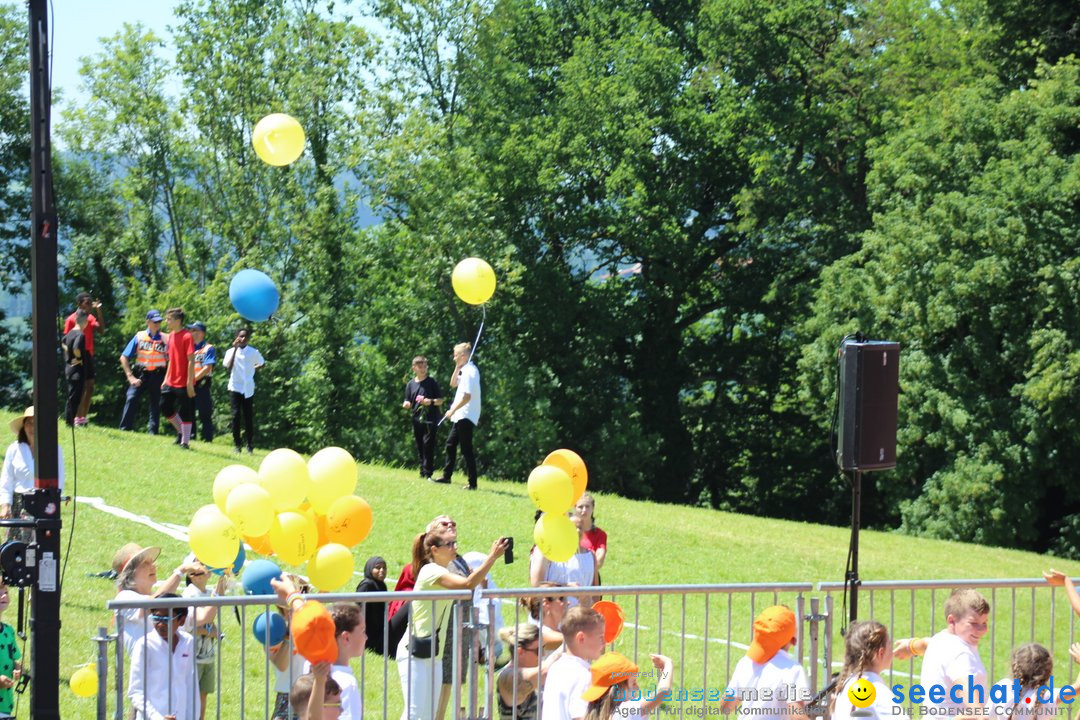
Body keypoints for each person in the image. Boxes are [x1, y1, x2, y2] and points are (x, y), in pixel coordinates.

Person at [396, 525, 508, 720]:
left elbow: (473, 586)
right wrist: (492, 557)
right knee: (414, 713)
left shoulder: (446, 570)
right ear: (434, 550)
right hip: (414, 652)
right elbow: (466, 584)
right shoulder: (430, 571)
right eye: (449, 544)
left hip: (433, 653)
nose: (454, 547)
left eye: (454, 543)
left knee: (428, 714)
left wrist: (479, 576)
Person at [721, 605, 810, 719]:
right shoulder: (792, 670)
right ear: (791, 638)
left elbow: (725, 706)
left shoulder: (745, 663)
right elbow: (797, 716)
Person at [112, 543, 200, 655]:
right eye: (146, 563)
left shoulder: (154, 595)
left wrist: (219, 588)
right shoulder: (124, 598)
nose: (153, 566)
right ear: (130, 573)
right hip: (149, 669)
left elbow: (200, 618)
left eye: (152, 562)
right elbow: (156, 602)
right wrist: (181, 571)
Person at [918, 589, 990, 713]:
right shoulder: (960, 653)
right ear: (951, 621)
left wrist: (911, 646)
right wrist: (979, 715)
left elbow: (926, 643)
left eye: (984, 622)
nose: (981, 629)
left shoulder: (940, 640)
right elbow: (965, 685)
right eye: (973, 623)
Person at [128, 595, 199, 720]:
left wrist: (193, 716)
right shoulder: (144, 645)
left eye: (167, 619)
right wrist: (157, 717)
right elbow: (136, 691)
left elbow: (190, 684)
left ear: (181, 620)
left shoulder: (188, 642)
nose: (160, 624)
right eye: (156, 618)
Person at [1, 408, 65, 542]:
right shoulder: (15, 448)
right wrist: (5, 504)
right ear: (23, 426)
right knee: (15, 549)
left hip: (43, 503)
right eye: (29, 422)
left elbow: (59, 479)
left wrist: (53, 503)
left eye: (36, 423)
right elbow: (6, 479)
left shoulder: (54, 450)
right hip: (19, 504)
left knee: (41, 547)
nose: (32, 427)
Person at [180, 556, 229, 720]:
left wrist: (225, 573)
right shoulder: (189, 594)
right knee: (190, 702)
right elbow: (196, 623)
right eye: (194, 571)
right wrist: (211, 631)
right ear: (189, 575)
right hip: (192, 656)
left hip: (207, 656)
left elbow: (210, 621)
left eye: (202, 567)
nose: (198, 571)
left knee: (202, 701)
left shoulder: (208, 593)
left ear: (209, 573)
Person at [540, 606, 606, 720]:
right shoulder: (584, 676)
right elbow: (580, 716)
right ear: (581, 638)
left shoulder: (556, 667)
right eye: (600, 637)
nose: (604, 642)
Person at [831, 620, 901, 720]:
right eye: (890, 646)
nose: (893, 652)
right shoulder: (878, 692)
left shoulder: (844, 685)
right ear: (880, 653)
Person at [988, 643, 1080, 717]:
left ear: (1014, 667)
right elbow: (1078, 686)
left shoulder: (1002, 687)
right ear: (1047, 672)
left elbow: (983, 717)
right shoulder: (1045, 697)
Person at [437, 342, 481, 489]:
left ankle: (472, 483)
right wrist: (457, 367)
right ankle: (446, 476)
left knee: (466, 449)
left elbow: (467, 397)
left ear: (463, 355)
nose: (453, 357)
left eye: (456, 355)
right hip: (461, 415)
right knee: (450, 444)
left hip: (466, 414)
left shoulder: (470, 372)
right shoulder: (465, 370)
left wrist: (452, 410)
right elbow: (453, 384)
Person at [530, 513, 599, 608]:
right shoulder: (546, 551)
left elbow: (596, 593)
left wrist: (590, 608)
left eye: (580, 527)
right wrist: (567, 588)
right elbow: (536, 584)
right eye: (573, 527)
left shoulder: (590, 555)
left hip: (579, 617)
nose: (577, 530)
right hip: (551, 614)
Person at [497, 623, 564, 720]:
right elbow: (545, 673)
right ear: (520, 651)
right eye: (539, 650)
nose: (543, 654)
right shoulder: (507, 677)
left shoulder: (537, 668)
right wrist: (570, 643)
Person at [582, 652, 673, 720]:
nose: (637, 687)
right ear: (616, 690)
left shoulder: (588, 710)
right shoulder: (625, 712)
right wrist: (668, 665)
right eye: (633, 683)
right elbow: (663, 691)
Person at [119, 310, 168, 434]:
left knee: (156, 404)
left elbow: (172, 359)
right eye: (155, 321)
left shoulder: (165, 338)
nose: (157, 323)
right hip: (141, 374)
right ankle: (125, 428)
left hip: (159, 374)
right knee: (131, 397)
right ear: (148, 322)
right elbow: (124, 357)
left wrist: (168, 378)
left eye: (159, 321)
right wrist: (130, 376)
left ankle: (153, 432)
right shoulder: (139, 336)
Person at [63, 291, 103, 426]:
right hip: (78, 354)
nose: (89, 306)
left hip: (88, 354)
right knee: (78, 387)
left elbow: (102, 330)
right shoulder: (71, 319)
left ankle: (82, 417)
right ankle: (74, 416)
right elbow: (65, 340)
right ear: (79, 304)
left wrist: (99, 311)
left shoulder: (90, 317)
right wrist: (71, 356)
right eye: (87, 303)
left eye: (91, 303)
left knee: (89, 386)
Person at [223, 328, 264, 454]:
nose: (243, 339)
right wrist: (235, 349)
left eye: (246, 336)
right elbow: (229, 367)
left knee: (248, 417)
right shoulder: (230, 351)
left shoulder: (253, 352)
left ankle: (250, 445)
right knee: (235, 416)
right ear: (236, 337)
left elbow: (262, 363)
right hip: (235, 387)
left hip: (248, 388)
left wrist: (252, 369)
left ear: (249, 338)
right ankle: (237, 445)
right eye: (241, 336)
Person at [402, 355, 443, 481]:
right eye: (420, 367)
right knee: (420, 445)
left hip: (430, 419)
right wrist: (406, 404)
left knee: (428, 445)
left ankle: (428, 473)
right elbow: (407, 400)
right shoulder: (410, 384)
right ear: (414, 368)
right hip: (416, 419)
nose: (423, 369)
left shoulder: (432, 382)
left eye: (425, 366)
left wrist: (429, 401)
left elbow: (440, 401)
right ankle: (422, 471)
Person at [160, 307, 196, 449]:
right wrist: (165, 379)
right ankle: (182, 431)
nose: (166, 322)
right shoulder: (171, 336)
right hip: (171, 381)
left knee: (185, 411)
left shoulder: (187, 336)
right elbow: (170, 360)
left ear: (178, 321)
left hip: (184, 382)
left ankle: (185, 442)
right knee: (164, 406)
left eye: (169, 319)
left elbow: (191, 361)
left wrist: (189, 383)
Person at [62, 310, 92, 427]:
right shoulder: (80, 334)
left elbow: (63, 342)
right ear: (85, 322)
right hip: (77, 371)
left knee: (71, 396)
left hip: (69, 369)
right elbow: (76, 348)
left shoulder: (70, 333)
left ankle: (68, 421)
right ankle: (69, 423)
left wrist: (68, 353)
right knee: (75, 398)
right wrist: (79, 358)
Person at [355, 556, 389, 656]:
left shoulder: (382, 585)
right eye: (378, 568)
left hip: (379, 632)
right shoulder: (366, 585)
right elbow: (358, 610)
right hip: (367, 634)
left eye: (384, 568)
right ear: (370, 569)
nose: (382, 570)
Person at [189, 322, 216, 443]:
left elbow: (207, 368)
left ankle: (207, 439)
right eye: (192, 330)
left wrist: (193, 379)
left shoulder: (208, 348)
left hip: (202, 384)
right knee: (188, 411)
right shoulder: (188, 347)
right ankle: (190, 436)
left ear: (202, 333)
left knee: (204, 412)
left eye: (195, 330)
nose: (192, 333)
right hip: (189, 383)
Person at [522, 582, 568, 650]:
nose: (568, 603)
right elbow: (572, 641)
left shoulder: (561, 631)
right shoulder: (540, 633)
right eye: (561, 599)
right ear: (546, 603)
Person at [0, 583, 21, 719]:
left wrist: (18, 669)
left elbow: (15, 659)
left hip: (5, 705)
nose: (3, 596)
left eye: (5, 592)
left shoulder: (9, 631)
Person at [575, 494, 607, 570]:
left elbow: (599, 561)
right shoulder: (568, 531)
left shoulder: (600, 534)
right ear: (574, 508)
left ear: (593, 508)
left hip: (591, 577)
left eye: (587, 506)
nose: (584, 510)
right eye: (580, 507)